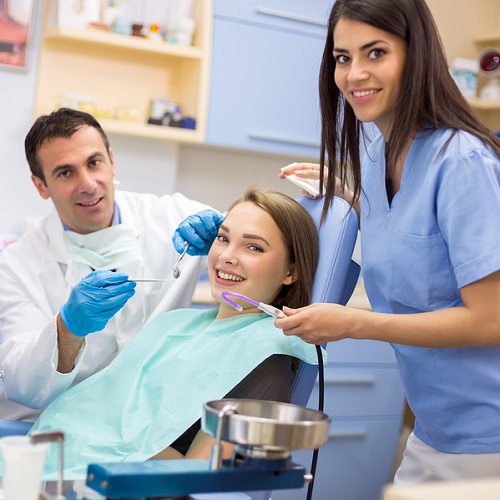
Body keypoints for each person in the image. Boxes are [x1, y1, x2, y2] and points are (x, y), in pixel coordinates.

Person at [276, 0, 500, 486]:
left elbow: (491, 320)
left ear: (415, 54)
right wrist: (355, 195)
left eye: (375, 53)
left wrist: (354, 324)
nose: (354, 73)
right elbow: (412, 229)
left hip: (488, 439)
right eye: (342, 57)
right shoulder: (378, 151)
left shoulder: (462, 162)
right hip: (434, 429)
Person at [28, 188, 322, 478]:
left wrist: (111, 439)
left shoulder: (263, 353)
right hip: (42, 459)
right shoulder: (177, 325)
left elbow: (200, 474)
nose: (227, 256)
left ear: (291, 272)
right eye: (223, 238)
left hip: (94, 479)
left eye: (254, 247)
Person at [0, 108, 223, 422]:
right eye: (65, 173)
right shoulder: (16, 266)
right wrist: (67, 329)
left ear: (111, 160)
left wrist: (225, 236)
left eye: (94, 163)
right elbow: (21, 384)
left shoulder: (171, 216)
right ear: (41, 186)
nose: (88, 184)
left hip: (146, 419)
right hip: (55, 423)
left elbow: (264, 244)